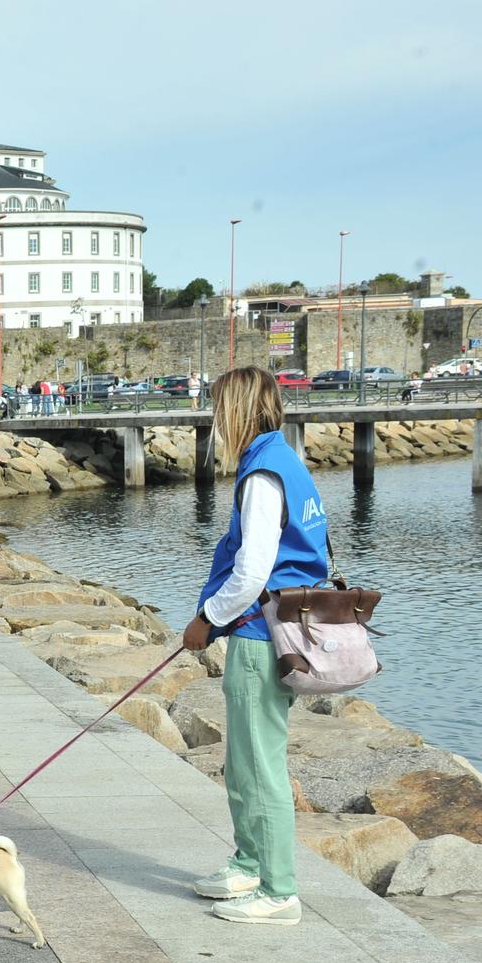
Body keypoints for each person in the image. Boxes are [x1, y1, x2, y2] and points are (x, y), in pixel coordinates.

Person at [181, 367, 329, 927]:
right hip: (277, 630)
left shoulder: (263, 472)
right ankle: (248, 862)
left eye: (217, 407)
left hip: (260, 636)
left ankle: (278, 890)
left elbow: (252, 571)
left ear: (236, 409)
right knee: (242, 761)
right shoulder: (284, 459)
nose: (213, 418)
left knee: (260, 765)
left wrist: (207, 620)